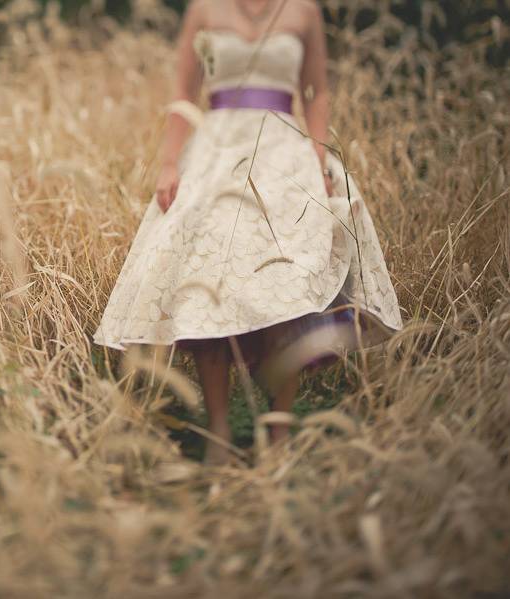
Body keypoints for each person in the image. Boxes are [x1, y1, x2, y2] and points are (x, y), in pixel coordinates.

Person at [92, 0, 403, 465]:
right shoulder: (204, 9)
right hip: (215, 151)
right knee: (203, 283)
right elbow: (183, 92)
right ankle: (218, 428)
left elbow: (317, 92)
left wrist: (317, 159)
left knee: (286, 287)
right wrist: (170, 163)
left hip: (284, 153)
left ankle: (277, 432)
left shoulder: (303, 11)